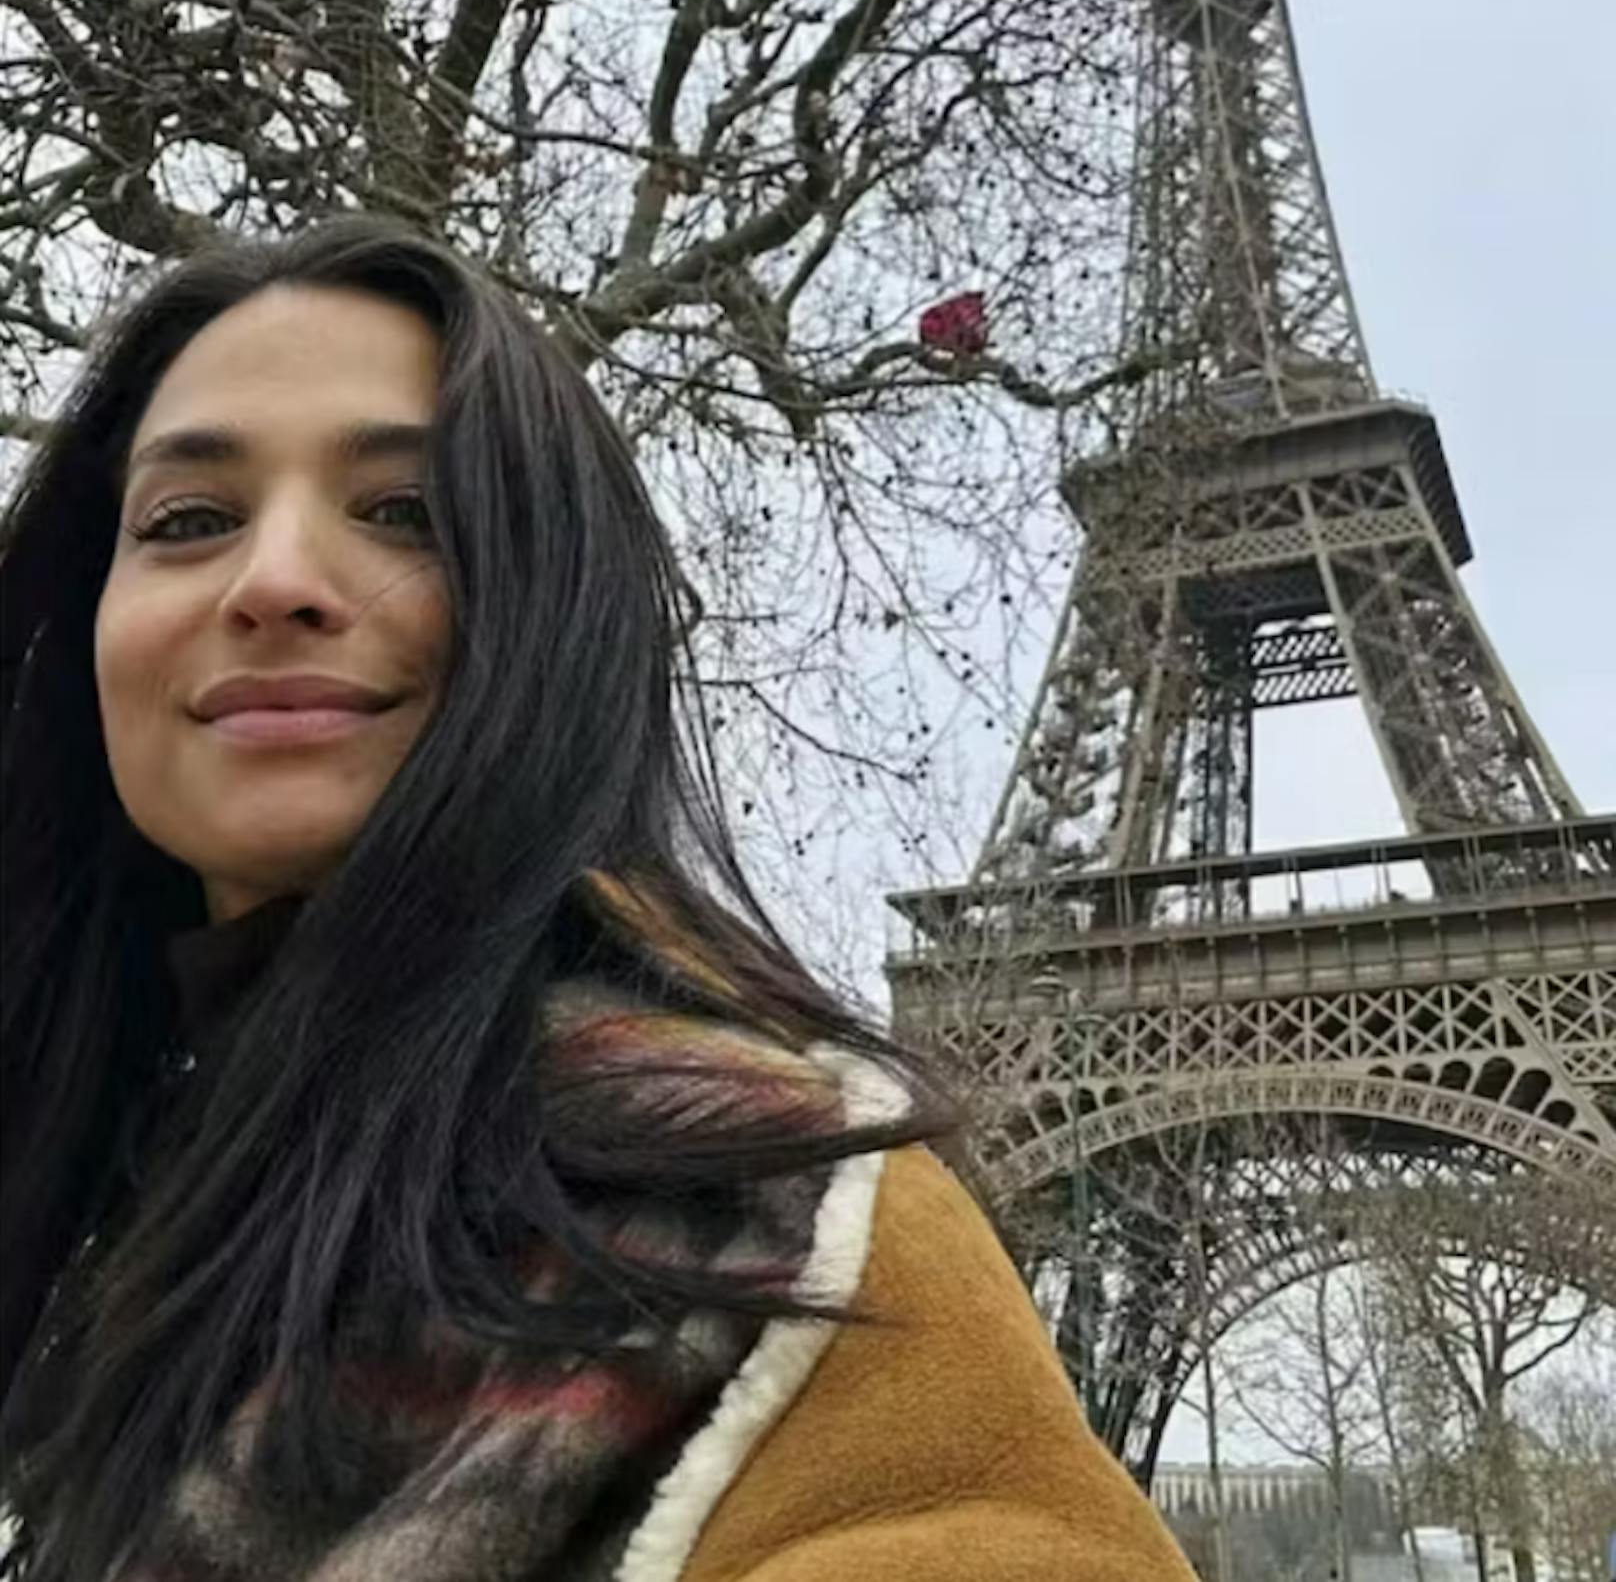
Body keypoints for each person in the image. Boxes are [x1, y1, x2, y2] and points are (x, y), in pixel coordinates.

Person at [0, 216, 1191, 1582]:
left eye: (406, 512)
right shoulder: (139, 1207)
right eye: (188, 521)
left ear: (555, 619)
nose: (273, 581)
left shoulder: (769, 1216)